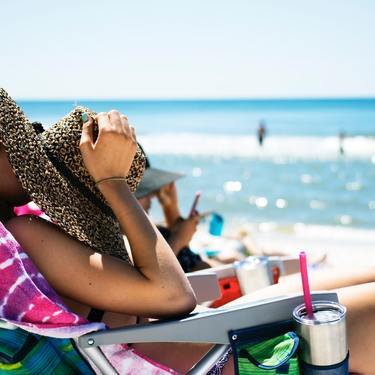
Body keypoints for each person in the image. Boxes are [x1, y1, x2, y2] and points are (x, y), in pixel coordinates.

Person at [1, 89, 375, 374]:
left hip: (196, 336)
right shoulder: (20, 233)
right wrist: (113, 183)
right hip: (199, 358)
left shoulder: (20, 235)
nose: (19, 145)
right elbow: (171, 296)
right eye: (9, 142)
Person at [135, 147, 212, 272]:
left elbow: (182, 255)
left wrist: (170, 207)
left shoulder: (147, 232)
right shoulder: (123, 242)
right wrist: (179, 239)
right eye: (143, 189)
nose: (152, 196)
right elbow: (152, 273)